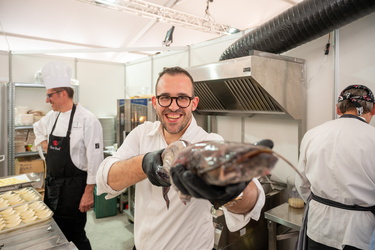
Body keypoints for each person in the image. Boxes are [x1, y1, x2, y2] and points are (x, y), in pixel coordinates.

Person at [96, 66, 266, 249]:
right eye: (165, 97)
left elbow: (251, 203)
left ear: (194, 103)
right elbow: (105, 179)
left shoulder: (209, 142)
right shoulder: (142, 134)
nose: (173, 106)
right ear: (155, 102)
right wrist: (145, 163)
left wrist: (233, 188)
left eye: (182, 98)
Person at [33, 61, 104, 250]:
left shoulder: (88, 120)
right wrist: (45, 145)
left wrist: (88, 194)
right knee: (54, 232)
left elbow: (96, 160)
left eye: (49, 95)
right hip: (52, 186)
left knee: (74, 236)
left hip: (73, 190)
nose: (47, 100)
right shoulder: (53, 116)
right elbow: (37, 128)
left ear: (62, 94)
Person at [295, 84, 375, 250]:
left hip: (318, 227)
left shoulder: (312, 134)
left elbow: (301, 184)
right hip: (359, 234)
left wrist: (321, 204)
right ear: (373, 110)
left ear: (338, 109)